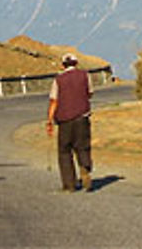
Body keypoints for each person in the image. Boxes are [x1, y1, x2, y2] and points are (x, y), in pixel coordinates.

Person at [46, 52, 93, 192]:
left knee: (65, 151)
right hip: (82, 117)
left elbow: (54, 101)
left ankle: (69, 185)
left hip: (65, 120)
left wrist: (49, 121)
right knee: (83, 146)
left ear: (63, 65)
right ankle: (85, 167)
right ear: (76, 63)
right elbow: (89, 93)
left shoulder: (58, 80)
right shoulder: (85, 75)